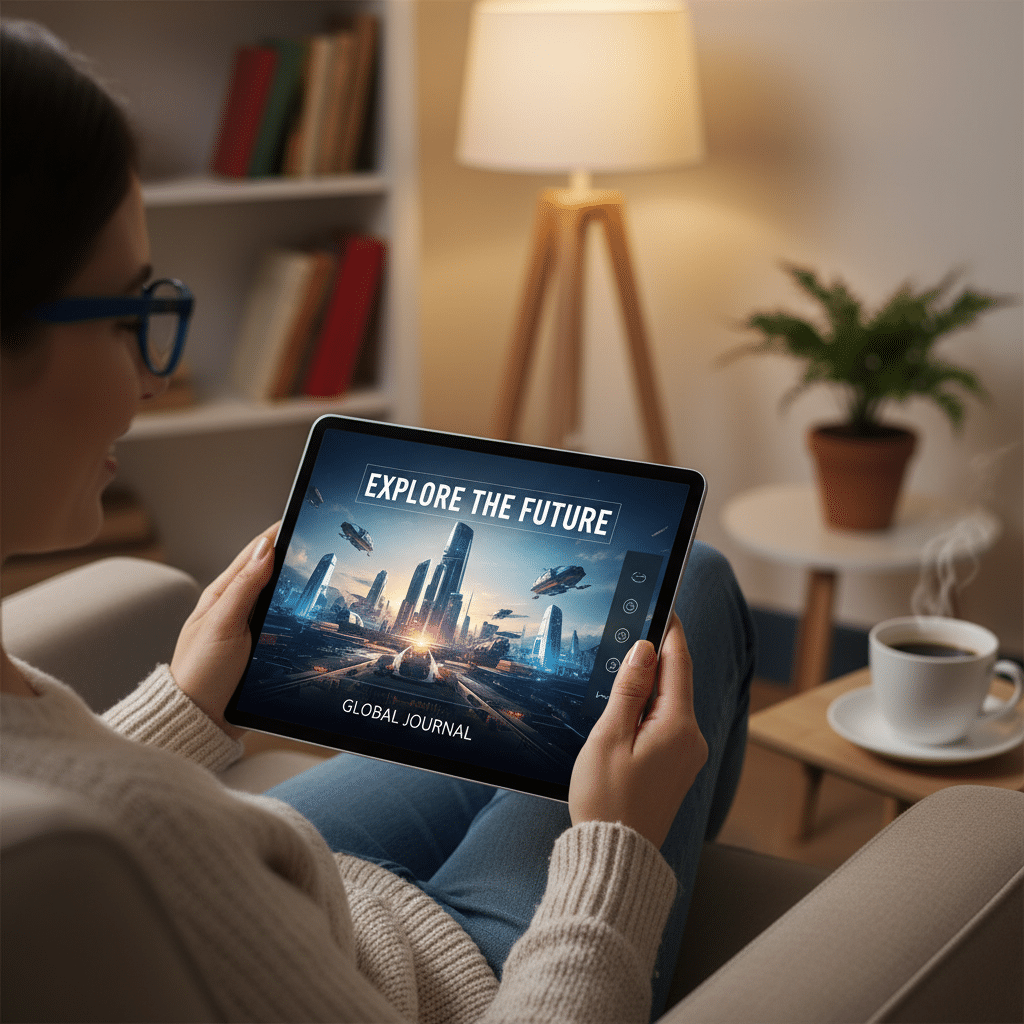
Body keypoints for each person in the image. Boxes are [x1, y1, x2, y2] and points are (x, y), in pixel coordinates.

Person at [0, 21, 753, 1023]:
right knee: (689, 585)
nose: (154, 372)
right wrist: (613, 852)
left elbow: (70, 805)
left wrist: (182, 709)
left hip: (290, 887)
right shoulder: (166, 843)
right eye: (126, 311)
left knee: (565, 701)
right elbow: (132, 843)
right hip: (452, 979)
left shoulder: (126, 824)